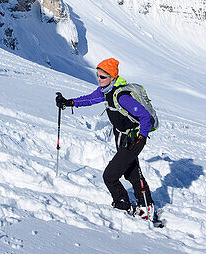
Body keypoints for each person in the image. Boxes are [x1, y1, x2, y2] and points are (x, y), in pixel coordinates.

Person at [56, 58, 156, 219]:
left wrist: (142, 138)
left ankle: (123, 204)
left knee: (110, 176)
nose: (99, 79)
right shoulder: (106, 91)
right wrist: (69, 102)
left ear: (112, 77)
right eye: (98, 75)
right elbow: (89, 99)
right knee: (132, 173)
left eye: (103, 76)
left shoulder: (121, 96)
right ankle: (146, 205)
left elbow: (145, 116)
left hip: (132, 140)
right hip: (121, 137)